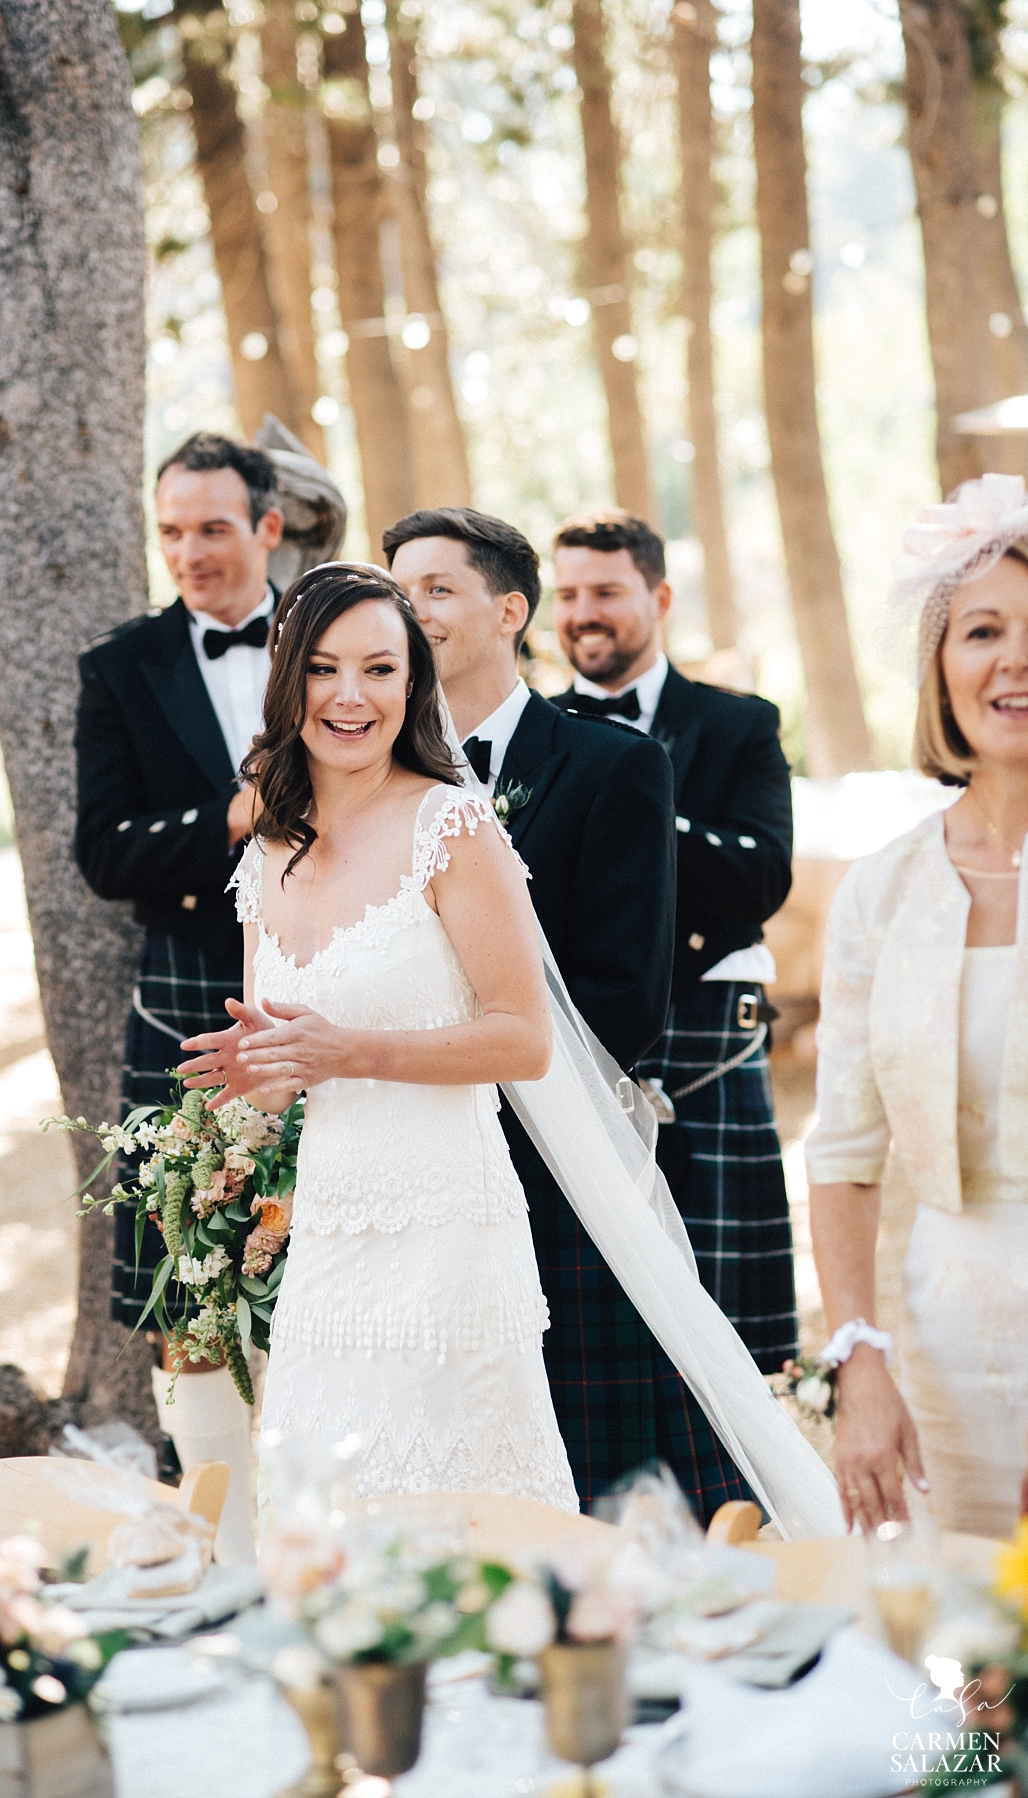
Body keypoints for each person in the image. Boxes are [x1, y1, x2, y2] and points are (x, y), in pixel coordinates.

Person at [177, 563, 579, 1511]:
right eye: (323, 669)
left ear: (413, 685)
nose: (350, 697)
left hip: (447, 1225)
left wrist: (348, 1051)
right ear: (289, 683)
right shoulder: (268, 849)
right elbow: (287, 1059)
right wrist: (254, 1080)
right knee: (328, 1513)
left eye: (379, 669)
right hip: (328, 1233)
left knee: (448, 1513)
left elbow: (525, 1040)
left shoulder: (452, 825)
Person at [383, 507, 751, 1523]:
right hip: (411, 1171)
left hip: (558, 1168)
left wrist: (482, 1082)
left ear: (511, 609)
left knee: (598, 1476)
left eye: (436, 589)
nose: (409, 614)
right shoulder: (370, 781)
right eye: (397, 591)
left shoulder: (612, 766)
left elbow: (627, 1000)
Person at [74, 432, 286, 1558]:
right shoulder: (121, 666)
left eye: (212, 527)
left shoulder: (342, 636)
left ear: (267, 527)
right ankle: (221, 1545)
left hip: (328, 995)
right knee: (189, 1294)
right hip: (186, 1008)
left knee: (325, 1270)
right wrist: (229, 822)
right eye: (172, 531)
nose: (191, 552)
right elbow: (104, 851)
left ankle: (325, 1531)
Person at [807, 473, 1028, 1539]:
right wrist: (861, 1361)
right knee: (974, 1674)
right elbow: (844, 1157)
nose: (1013, 660)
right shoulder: (883, 891)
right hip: (948, 1343)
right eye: (983, 630)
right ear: (941, 666)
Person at [551, 511, 798, 1377]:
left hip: (706, 1035)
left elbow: (762, 879)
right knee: (603, 1319)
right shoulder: (542, 733)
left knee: (729, 1325)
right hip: (586, 1034)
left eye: (607, 592)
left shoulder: (739, 725)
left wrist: (638, 799)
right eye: (569, 594)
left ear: (657, 597)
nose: (585, 612)